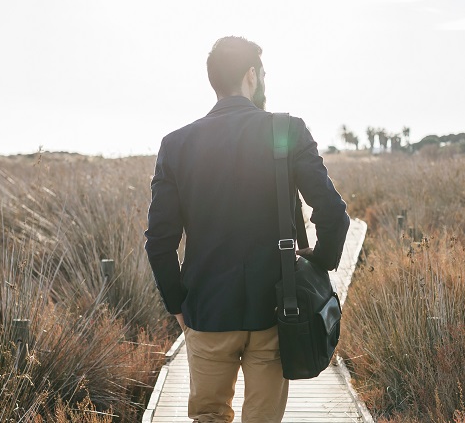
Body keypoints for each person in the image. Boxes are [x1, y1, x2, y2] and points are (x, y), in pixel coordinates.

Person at [145, 36, 350, 423]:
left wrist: (177, 304)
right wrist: (318, 260)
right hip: (276, 308)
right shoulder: (287, 130)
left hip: (206, 308)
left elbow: (159, 242)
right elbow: (333, 213)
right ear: (251, 76)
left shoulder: (176, 145)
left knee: (208, 416)